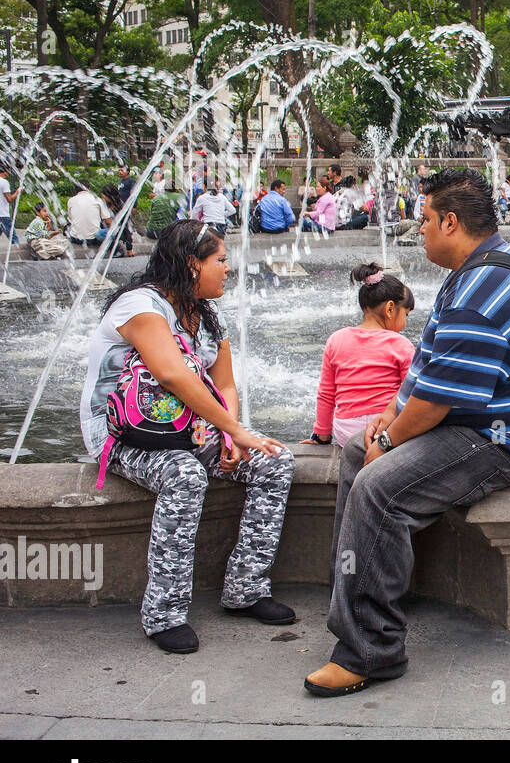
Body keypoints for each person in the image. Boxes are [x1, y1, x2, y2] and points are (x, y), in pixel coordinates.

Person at [305, 169, 510, 696]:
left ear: (450, 221)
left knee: (379, 487)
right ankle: (353, 593)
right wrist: (389, 417)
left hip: (501, 439)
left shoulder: (483, 285)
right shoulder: (479, 268)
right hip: (471, 422)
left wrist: (394, 439)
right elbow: (433, 366)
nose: (417, 229)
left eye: (423, 220)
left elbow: (446, 396)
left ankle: (371, 650)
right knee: (356, 452)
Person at [81, 220, 296, 654]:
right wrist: (231, 429)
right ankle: (164, 613)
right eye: (220, 260)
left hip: (189, 428)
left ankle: (246, 588)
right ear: (192, 263)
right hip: (123, 433)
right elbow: (170, 372)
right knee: (185, 475)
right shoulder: (140, 306)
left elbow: (227, 386)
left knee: (275, 459)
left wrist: (232, 434)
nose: (228, 269)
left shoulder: (207, 318)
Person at [302, 264, 415, 449]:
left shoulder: (335, 340)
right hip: (384, 430)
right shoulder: (400, 344)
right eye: (406, 314)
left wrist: (322, 435)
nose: (405, 322)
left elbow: (326, 394)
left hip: (346, 432)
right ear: (390, 309)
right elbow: (409, 392)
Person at [67, 183, 112, 248]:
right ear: (89, 188)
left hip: (76, 239)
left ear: (75, 190)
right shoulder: (97, 199)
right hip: (93, 239)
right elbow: (108, 221)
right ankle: (116, 248)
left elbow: (71, 218)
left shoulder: (71, 200)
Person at [0, 161, 17, 242]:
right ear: (5, 170)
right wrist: (18, 192)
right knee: (13, 238)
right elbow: (9, 199)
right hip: (3, 215)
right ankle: (18, 251)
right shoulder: (4, 182)